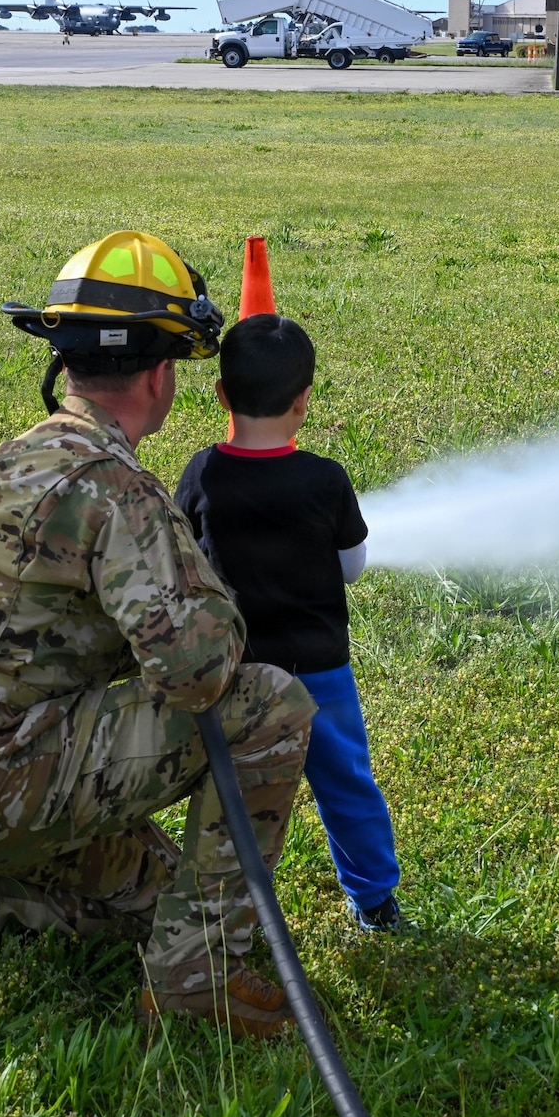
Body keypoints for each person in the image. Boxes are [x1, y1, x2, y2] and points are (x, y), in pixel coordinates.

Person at [0, 231, 316, 1037]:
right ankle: (197, 977)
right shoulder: (115, 487)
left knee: (156, 899)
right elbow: (199, 673)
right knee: (270, 705)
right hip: (7, 777)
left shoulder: (15, 458)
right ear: (163, 375)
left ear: (66, 364)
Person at [174, 315, 404, 931]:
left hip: (237, 674)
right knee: (347, 787)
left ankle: (234, 909)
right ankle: (376, 902)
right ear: (304, 401)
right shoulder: (325, 479)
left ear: (221, 395)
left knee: (238, 795)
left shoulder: (201, 474)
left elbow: (184, 560)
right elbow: (352, 567)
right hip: (320, 672)